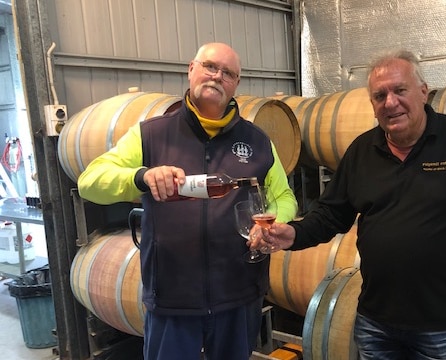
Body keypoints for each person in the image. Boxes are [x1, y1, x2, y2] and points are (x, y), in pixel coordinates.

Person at [251, 49, 446, 359]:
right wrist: (295, 233)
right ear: (372, 105)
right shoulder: (362, 150)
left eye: (400, 90)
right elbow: (333, 213)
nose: (390, 102)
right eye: (379, 95)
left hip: (443, 323)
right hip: (376, 322)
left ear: (423, 92)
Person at [78, 42, 298, 360]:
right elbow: (89, 183)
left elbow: (284, 196)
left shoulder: (257, 141)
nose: (217, 76)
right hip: (172, 298)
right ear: (191, 69)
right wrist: (141, 177)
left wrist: (273, 221)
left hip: (238, 294)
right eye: (210, 66)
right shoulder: (151, 135)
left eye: (228, 73)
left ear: (236, 83)